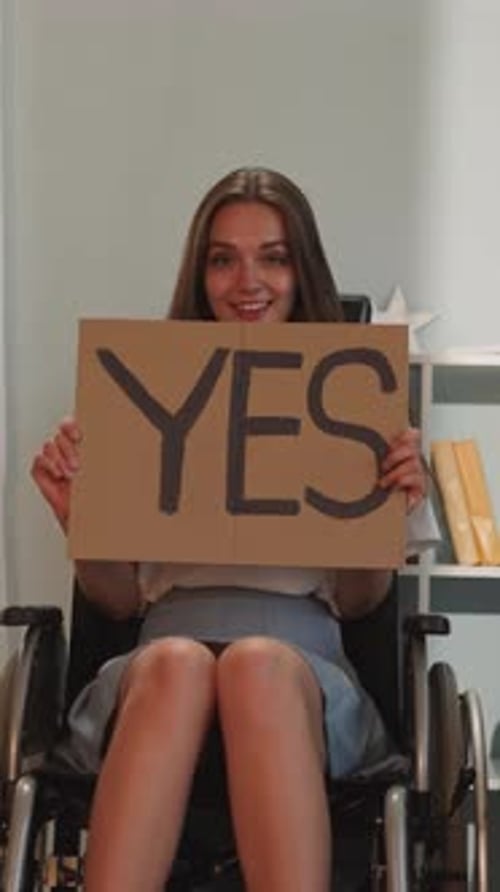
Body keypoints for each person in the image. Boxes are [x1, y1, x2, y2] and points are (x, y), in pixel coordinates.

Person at [31, 167, 436, 892]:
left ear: (300, 268)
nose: (247, 280)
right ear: (201, 272)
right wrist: (79, 519)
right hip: (159, 655)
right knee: (178, 662)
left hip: (302, 663)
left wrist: (386, 513)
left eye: (273, 257)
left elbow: (363, 601)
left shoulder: (358, 405)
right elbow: (119, 603)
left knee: (255, 661)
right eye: (223, 258)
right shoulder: (143, 392)